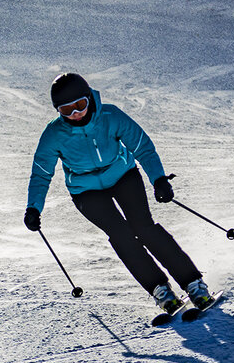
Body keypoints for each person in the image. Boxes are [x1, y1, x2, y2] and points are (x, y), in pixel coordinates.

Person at [24, 72, 213, 316]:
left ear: (89, 99)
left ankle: (194, 284)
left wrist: (158, 179)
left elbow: (141, 146)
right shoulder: (54, 135)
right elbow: (41, 174)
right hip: (85, 190)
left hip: (123, 175)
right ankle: (161, 291)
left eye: (80, 105)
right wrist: (33, 208)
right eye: (66, 110)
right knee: (121, 235)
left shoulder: (110, 116)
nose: (75, 114)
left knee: (144, 228)